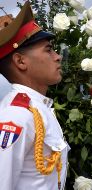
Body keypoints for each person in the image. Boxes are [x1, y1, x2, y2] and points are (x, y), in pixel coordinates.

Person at [0, 1, 69, 190]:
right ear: (21, 61)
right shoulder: (17, 116)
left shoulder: (37, 108)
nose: (58, 56)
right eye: (48, 50)